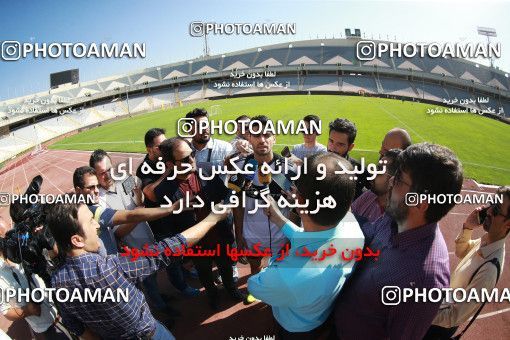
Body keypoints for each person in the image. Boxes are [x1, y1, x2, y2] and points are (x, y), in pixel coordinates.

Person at [334, 142, 463, 340]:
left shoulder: (424, 280)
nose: (391, 180)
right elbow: (367, 235)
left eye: (400, 180)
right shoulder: (394, 217)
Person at [47, 200, 229, 339]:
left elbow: (77, 328)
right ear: (77, 240)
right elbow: (168, 248)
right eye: (91, 222)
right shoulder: (111, 267)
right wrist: (211, 219)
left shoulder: (57, 282)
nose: (97, 225)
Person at [248, 153, 364, 339]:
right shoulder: (352, 227)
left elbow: (255, 286)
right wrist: (280, 219)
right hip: (319, 316)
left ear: (299, 199)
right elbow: (310, 238)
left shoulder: (287, 276)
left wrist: (273, 262)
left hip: (294, 330)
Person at [154, 137, 244, 309]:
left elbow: (225, 194)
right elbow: (168, 227)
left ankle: (231, 289)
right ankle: (213, 295)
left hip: (221, 237)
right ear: (170, 164)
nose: (192, 160)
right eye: (185, 159)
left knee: (226, 268)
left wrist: (224, 205)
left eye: (192, 154)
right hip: (196, 246)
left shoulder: (207, 171)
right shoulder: (163, 191)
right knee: (205, 275)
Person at [425, 186, 510, 339]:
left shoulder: (489, 269)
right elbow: (461, 252)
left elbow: (454, 316)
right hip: (440, 304)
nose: (489, 211)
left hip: (438, 326)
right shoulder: (485, 241)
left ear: (508, 224)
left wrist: (420, 312)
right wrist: (468, 227)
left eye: (496, 210)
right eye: (491, 203)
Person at [233, 115, 296, 277]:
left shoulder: (289, 168)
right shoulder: (240, 167)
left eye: (267, 135)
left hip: (282, 234)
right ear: (249, 138)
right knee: (255, 268)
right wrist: (239, 235)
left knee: (281, 271)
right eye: (257, 135)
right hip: (252, 234)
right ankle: (255, 290)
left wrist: (293, 235)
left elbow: (297, 205)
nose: (262, 139)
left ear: (274, 138)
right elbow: (238, 204)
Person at [73, 166, 181, 256]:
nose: (108, 175)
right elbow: (120, 229)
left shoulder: (124, 181)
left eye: (109, 169)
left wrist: (138, 194)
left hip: (148, 238)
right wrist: (169, 209)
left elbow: (140, 203)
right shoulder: (98, 201)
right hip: (131, 252)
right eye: (102, 173)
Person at [0, 217, 71, 340]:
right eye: (6, 236)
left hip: (65, 309)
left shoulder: (23, 245)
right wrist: (27, 311)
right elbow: (6, 311)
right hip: (48, 327)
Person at [351, 148, 401, 223]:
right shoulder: (369, 195)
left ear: (393, 180)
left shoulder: (396, 218)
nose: (373, 173)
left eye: (380, 170)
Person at [326, 118, 368, 198]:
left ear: (350, 147)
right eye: (331, 141)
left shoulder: (360, 171)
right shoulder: (315, 164)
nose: (333, 148)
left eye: (340, 144)